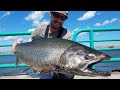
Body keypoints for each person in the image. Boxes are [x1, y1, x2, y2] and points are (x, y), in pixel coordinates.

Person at [12, 11, 74, 79]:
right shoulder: (40, 29)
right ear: (50, 14)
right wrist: (17, 48)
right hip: (43, 68)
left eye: (63, 18)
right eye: (56, 15)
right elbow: (29, 45)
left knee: (69, 74)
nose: (59, 20)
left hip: (61, 68)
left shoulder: (67, 34)